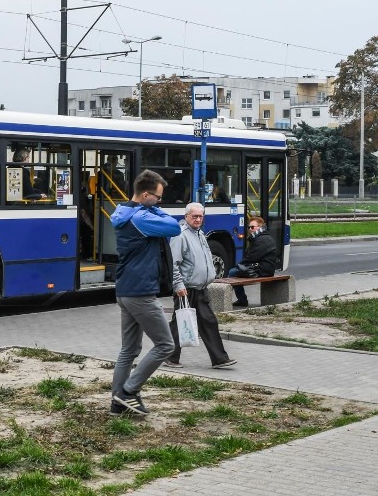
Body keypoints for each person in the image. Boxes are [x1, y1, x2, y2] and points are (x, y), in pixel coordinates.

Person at [109, 169, 181, 416]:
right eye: (158, 198)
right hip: (141, 292)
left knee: (128, 350)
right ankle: (128, 391)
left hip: (125, 290)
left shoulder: (124, 212)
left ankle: (118, 404)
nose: (161, 202)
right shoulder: (142, 218)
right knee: (165, 345)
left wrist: (152, 208)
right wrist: (156, 210)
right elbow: (174, 227)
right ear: (146, 194)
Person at [163, 203, 237, 369]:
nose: (198, 219)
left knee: (208, 322)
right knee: (179, 323)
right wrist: (178, 285)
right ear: (187, 216)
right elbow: (174, 263)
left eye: (200, 216)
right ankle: (170, 357)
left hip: (200, 287)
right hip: (186, 288)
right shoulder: (180, 235)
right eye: (194, 216)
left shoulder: (200, 234)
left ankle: (219, 359)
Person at [228, 216, 279, 307]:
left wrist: (240, 265)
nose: (250, 229)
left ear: (260, 227)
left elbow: (251, 257)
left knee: (232, 272)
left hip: (262, 270)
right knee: (236, 270)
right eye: (249, 227)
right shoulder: (261, 237)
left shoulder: (262, 240)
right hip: (264, 268)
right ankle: (241, 299)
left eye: (252, 227)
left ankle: (242, 300)